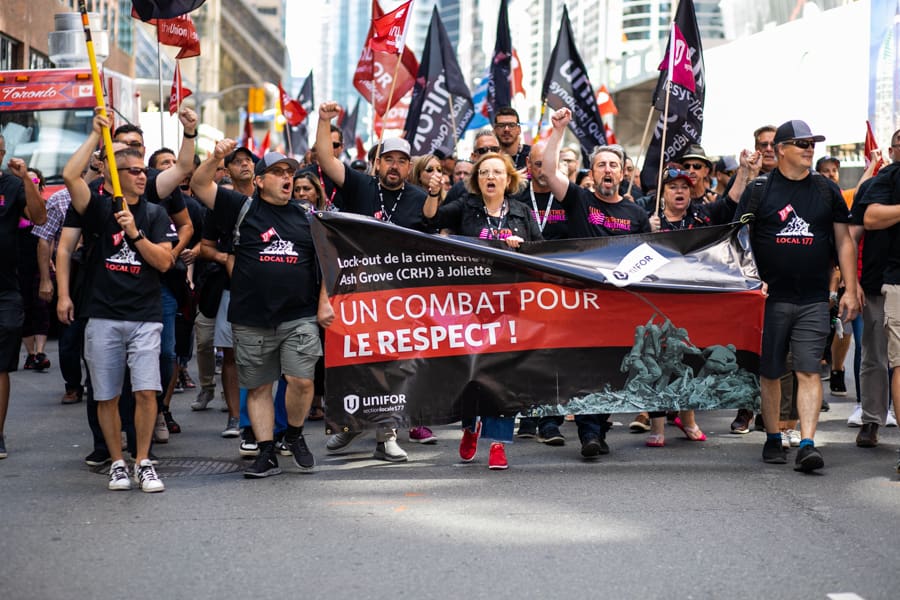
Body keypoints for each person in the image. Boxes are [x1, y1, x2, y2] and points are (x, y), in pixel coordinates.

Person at [192, 141, 334, 478]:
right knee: (258, 387)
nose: (287, 178)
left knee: (301, 380)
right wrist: (215, 158)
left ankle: (295, 435)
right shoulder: (240, 207)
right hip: (251, 318)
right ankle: (266, 450)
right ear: (259, 181)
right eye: (278, 172)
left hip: (298, 315)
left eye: (290, 172)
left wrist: (324, 301)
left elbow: (328, 261)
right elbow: (198, 185)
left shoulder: (307, 216)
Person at [61, 111, 179, 492]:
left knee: (147, 392)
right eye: (132, 171)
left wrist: (135, 234)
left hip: (145, 315)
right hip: (103, 316)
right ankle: (116, 462)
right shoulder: (98, 209)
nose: (142, 176)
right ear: (114, 176)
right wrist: (96, 135)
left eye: (144, 170)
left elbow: (164, 261)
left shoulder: (156, 214)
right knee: (107, 394)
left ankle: (143, 461)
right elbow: (69, 177)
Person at [737, 119, 859, 472]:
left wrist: (850, 290)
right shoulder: (759, 190)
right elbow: (738, 242)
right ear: (781, 150)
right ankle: (773, 437)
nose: (810, 149)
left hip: (812, 299)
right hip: (768, 300)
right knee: (772, 371)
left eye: (812, 143)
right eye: (802, 143)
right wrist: (749, 281)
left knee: (808, 370)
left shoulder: (825, 191)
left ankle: (807, 442)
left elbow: (843, 242)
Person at [316, 100, 430, 460]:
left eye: (401, 161)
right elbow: (325, 159)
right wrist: (324, 120)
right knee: (355, 363)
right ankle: (349, 427)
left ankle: (387, 435)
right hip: (355, 292)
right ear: (378, 162)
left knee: (393, 367)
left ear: (409, 168)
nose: (394, 166)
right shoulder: (360, 185)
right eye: (388, 159)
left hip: (397, 296)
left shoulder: (418, 198)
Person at [543, 107, 654, 458]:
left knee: (612, 368)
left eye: (614, 165)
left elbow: (646, 259)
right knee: (588, 366)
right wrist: (558, 131)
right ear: (592, 173)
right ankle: (589, 432)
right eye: (602, 165)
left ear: (624, 173)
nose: (608, 171)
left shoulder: (636, 215)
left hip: (619, 306)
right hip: (582, 302)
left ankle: (599, 427)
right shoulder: (579, 199)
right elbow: (548, 171)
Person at [423, 151, 541, 469]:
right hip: (470, 304)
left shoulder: (522, 212)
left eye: (497, 172)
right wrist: (433, 192)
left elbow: (540, 253)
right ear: (477, 180)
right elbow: (431, 220)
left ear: (508, 179)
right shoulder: (466, 208)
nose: (490, 177)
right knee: (471, 371)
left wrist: (523, 248)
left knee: (502, 374)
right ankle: (469, 426)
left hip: (509, 304)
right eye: (484, 172)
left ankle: (498, 443)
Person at [0, 135, 48, 459]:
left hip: (5, 289)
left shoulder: (12, 184)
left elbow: (39, 216)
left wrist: (26, 178)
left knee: (0, 366)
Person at [858, 128, 900, 450]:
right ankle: (872, 420)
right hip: (877, 281)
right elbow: (866, 221)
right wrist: (848, 281)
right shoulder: (882, 181)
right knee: (875, 356)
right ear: (892, 149)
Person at [18, 168, 51, 373]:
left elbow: (49, 237)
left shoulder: (45, 208)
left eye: (35, 180)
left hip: (41, 262)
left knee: (42, 307)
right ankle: (30, 354)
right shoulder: (15, 206)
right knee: (24, 308)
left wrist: (50, 262)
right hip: (19, 265)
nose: (31, 183)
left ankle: (40, 353)